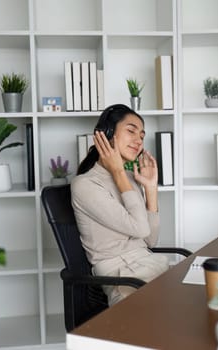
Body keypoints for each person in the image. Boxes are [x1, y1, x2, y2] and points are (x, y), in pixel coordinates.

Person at [71, 104, 168, 305]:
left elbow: (150, 241)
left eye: (142, 135)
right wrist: (118, 173)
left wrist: (151, 188)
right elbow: (141, 229)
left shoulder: (130, 179)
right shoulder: (85, 185)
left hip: (149, 266)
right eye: (131, 131)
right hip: (123, 278)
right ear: (106, 134)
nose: (139, 140)